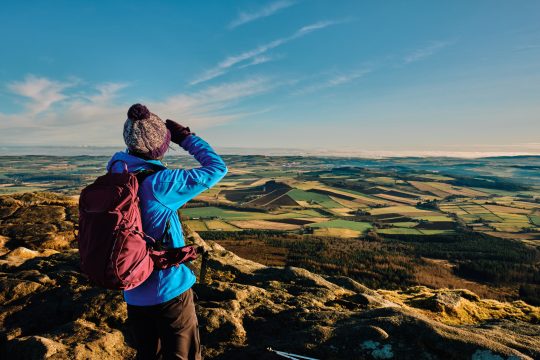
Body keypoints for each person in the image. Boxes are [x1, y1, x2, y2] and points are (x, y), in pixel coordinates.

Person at [107, 103, 228, 360]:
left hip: (133, 289)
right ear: (160, 146)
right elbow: (217, 168)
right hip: (168, 289)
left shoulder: (115, 175)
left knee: (148, 354)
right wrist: (187, 138)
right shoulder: (161, 184)